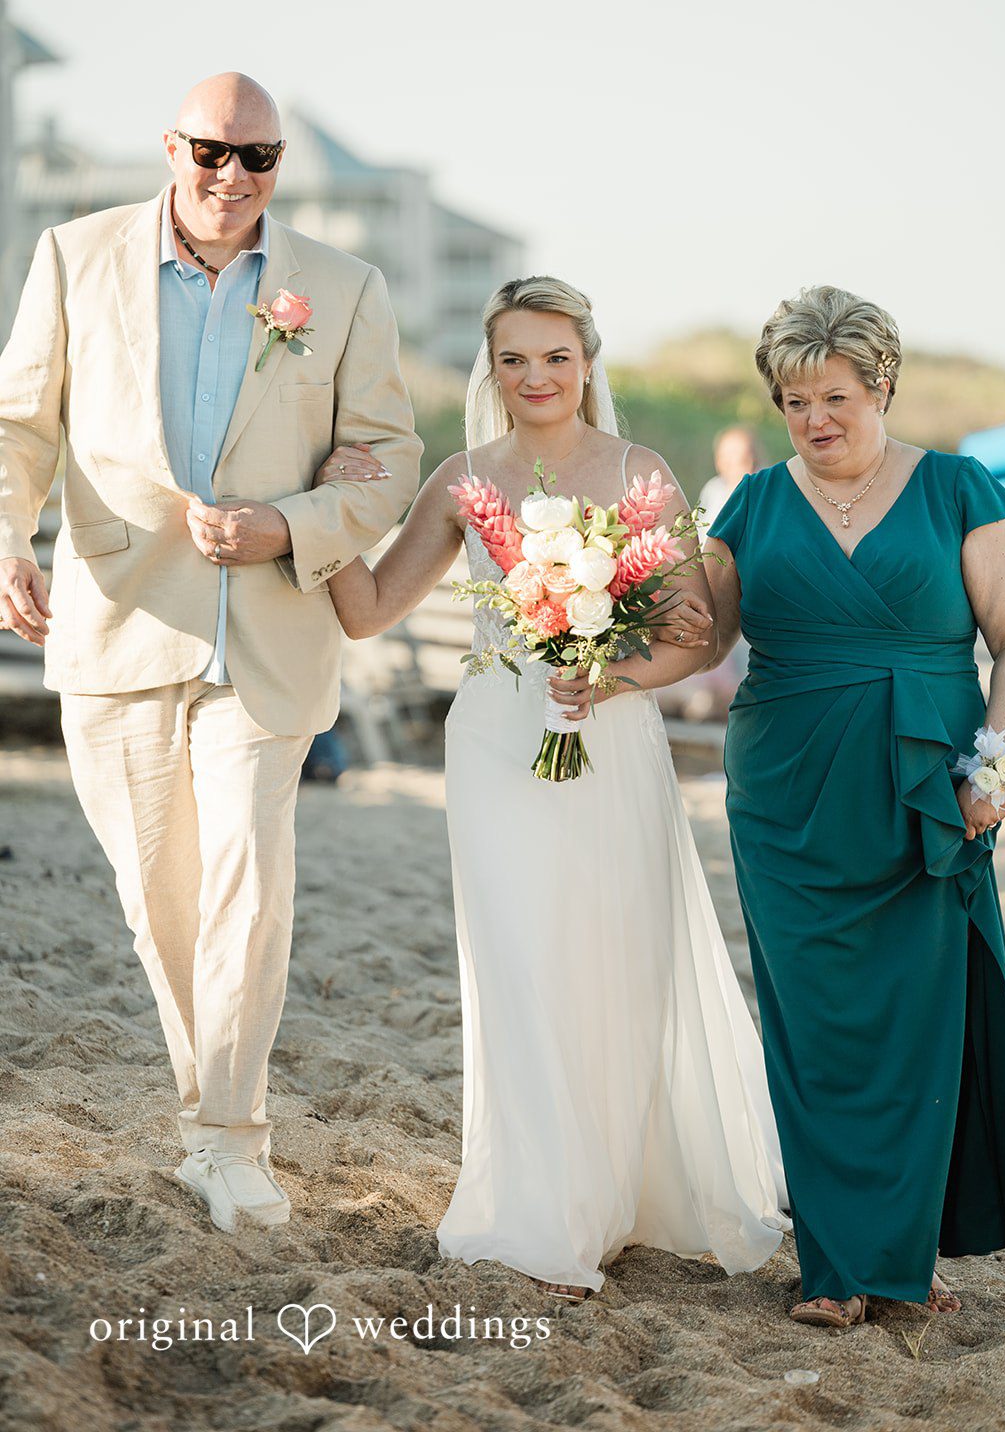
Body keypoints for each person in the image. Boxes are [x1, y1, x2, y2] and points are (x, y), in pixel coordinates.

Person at [0, 72, 422, 1232]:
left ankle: (232, 1138)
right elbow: (19, 424)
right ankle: (206, 1116)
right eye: (210, 152)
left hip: (272, 633)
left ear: (280, 164)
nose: (231, 178)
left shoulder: (342, 288)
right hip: (119, 618)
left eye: (258, 157)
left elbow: (387, 450)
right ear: (170, 147)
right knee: (160, 899)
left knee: (246, 884)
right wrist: (8, 540)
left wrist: (291, 523)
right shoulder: (74, 256)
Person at [316, 276, 789, 1301]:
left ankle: (615, 1189)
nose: (535, 376)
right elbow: (367, 611)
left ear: (587, 361)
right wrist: (324, 515)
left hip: (603, 740)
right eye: (514, 358)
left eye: (554, 356)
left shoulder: (638, 472)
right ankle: (544, 1204)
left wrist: (605, 671)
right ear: (492, 367)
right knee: (519, 963)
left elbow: (690, 634)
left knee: (609, 957)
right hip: (493, 744)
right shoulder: (459, 478)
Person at [659, 285, 1005, 1325]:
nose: (814, 420)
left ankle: (896, 1251)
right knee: (815, 1028)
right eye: (793, 402)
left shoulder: (953, 491)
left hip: (925, 789)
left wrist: (996, 770)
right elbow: (699, 642)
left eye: (833, 396)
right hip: (784, 797)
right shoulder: (746, 506)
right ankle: (841, 1266)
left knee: (911, 1022)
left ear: (882, 385)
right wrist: (591, 648)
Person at [697, 426, 765, 522]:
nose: (725, 461)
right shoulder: (713, 488)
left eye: (732, 454)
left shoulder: (763, 490)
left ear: (750, 459)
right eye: (722, 454)